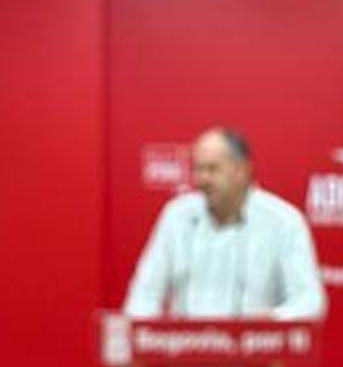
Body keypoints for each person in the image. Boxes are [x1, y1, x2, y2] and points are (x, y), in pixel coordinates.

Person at [123, 127, 326, 320]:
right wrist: (144, 339)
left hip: (256, 350)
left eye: (212, 169)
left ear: (242, 171)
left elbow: (310, 302)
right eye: (198, 169)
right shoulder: (176, 216)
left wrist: (270, 322)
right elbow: (144, 294)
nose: (202, 179)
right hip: (183, 349)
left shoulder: (283, 221)